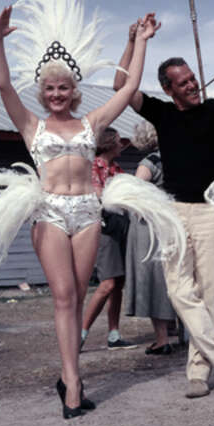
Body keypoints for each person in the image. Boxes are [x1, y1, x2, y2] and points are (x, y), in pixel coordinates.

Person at [0, 0, 158, 418]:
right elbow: (5, 87)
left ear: (74, 90)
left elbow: (126, 88)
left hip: (87, 210)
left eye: (64, 88)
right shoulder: (32, 124)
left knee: (79, 294)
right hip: (49, 211)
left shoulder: (92, 124)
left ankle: (69, 374)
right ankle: (73, 384)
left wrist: (141, 40)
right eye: (50, 88)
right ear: (42, 91)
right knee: (63, 295)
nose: (57, 95)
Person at [113, 36, 214, 400]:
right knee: (179, 290)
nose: (192, 85)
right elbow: (122, 86)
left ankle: (198, 372)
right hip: (173, 212)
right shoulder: (161, 112)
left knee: (212, 293)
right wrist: (135, 41)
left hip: (209, 212)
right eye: (183, 83)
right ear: (169, 89)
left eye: (192, 78)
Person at [80, 127, 136, 351]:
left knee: (118, 283)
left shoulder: (116, 169)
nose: (122, 145)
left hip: (119, 227)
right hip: (103, 229)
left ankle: (114, 334)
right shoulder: (93, 166)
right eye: (119, 142)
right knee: (108, 283)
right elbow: (97, 196)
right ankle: (80, 334)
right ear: (110, 144)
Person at [125, 120, 176, 355]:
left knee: (155, 280)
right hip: (172, 221)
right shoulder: (175, 157)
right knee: (172, 276)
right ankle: (180, 330)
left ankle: (162, 338)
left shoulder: (149, 163)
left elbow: (136, 193)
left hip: (151, 226)